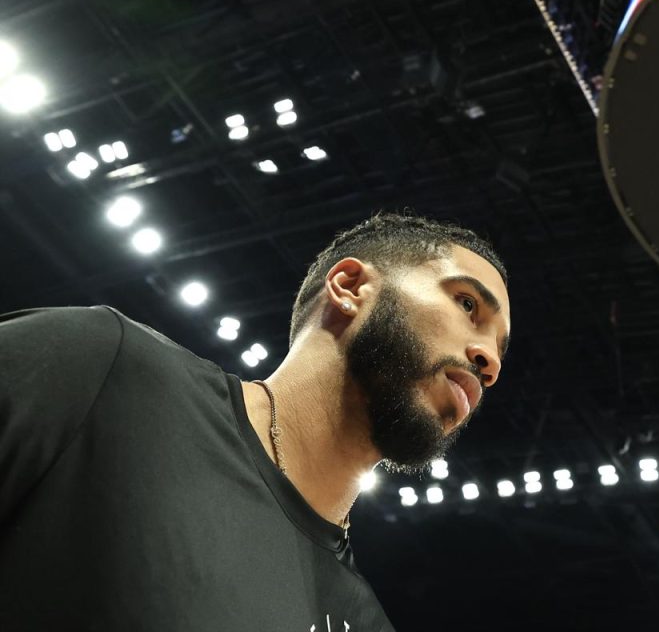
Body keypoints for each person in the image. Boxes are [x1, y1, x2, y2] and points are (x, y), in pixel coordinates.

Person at [0, 212, 511, 631]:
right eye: (468, 304)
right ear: (350, 286)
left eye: (500, 351)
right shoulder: (106, 368)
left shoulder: (367, 623)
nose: (489, 361)